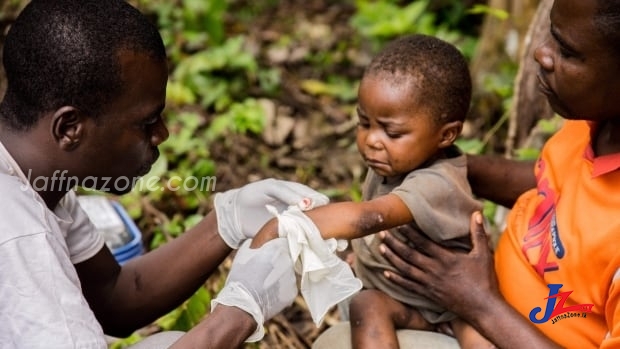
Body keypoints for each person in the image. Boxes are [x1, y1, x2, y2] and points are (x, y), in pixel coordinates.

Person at [0, 1, 329, 348]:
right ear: (70, 128)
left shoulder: (38, 178)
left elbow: (114, 298)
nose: (162, 134)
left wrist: (225, 221)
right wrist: (239, 312)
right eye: (146, 122)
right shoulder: (20, 235)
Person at [375, 0, 620, 348]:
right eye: (552, 33)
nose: (541, 53)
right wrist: (444, 166)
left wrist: (479, 302)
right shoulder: (597, 124)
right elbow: (555, 187)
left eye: (567, 51)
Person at [251, 34, 491, 348]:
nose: (372, 140)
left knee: (480, 336)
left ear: (446, 135)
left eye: (391, 131)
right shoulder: (391, 161)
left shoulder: (437, 182)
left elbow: (372, 216)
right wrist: (362, 255)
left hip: (449, 308)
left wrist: (289, 224)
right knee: (367, 305)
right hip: (406, 300)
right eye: (364, 123)